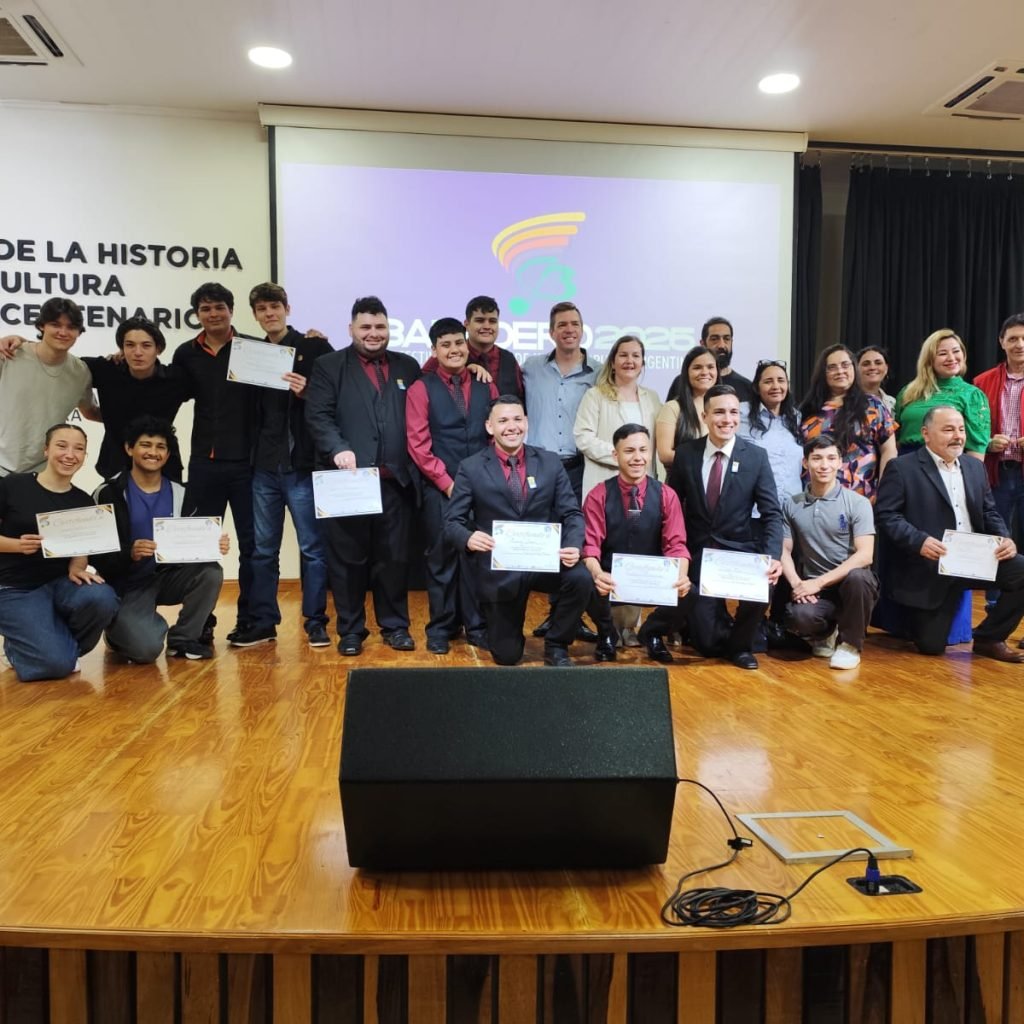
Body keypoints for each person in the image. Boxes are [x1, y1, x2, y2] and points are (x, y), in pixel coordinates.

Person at [305, 295, 422, 656]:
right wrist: (337, 448)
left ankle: (395, 627)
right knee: (347, 562)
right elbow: (318, 415)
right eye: (366, 327)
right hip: (348, 483)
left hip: (396, 482)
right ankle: (351, 630)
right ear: (351, 329)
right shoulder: (328, 366)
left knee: (394, 560)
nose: (374, 333)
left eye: (380, 326)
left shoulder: (408, 366)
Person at [444, 395, 593, 666]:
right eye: (503, 421)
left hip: (543, 561)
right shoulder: (471, 467)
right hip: (501, 569)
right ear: (489, 427)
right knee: (508, 656)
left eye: (517, 419)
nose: (511, 426)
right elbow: (452, 522)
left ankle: (557, 644)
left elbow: (572, 513)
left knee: (580, 578)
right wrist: (468, 537)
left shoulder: (550, 462)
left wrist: (573, 544)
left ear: (526, 422)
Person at [642, 384, 783, 670]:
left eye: (733, 412)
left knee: (764, 585)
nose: (727, 419)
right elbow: (671, 507)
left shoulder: (756, 457)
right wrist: (672, 553)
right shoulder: (686, 454)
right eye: (719, 412)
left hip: (739, 551)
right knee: (707, 645)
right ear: (705, 416)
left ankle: (741, 646)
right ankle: (693, 630)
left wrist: (773, 557)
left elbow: (772, 514)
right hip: (698, 554)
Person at [874, 405, 1024, 662]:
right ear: (926, 433)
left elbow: (989, 511)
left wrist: (1004, 538)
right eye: (948, 430)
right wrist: (919, 541)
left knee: (1021, 569)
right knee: (931, 646)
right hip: (932, 565)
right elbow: (887, 516)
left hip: (976, 559)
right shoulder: (902, 468)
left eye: (961, 430)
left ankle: (989, 638)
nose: (958, 436)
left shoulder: (974, 467)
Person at [230, 282, 333, 649]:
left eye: (275, 306)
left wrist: (307, 392)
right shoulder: (250, 354)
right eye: (262, 309)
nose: (269, 313)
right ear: (255, 315)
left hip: (301, 467)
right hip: (263, 468)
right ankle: (263, 623)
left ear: (287, 309)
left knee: (312, 550)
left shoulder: (314, 347)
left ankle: (316, 622)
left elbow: (334, 396)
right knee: (262, 551)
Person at [93, 417, 229, 662]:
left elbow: (193, 543)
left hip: (168, 576)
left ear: (167, 455)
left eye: (160, 447)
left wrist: (213, 545)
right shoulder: (108, 493)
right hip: (128, 584)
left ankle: (183, 639)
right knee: (144, 651)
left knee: (211, 572)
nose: (153, 452)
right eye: (145, 445)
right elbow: (96, 552)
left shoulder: (182, 493)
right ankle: (120, 631)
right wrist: (129, 552)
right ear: (129, 448)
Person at [171, 282, 260, 643]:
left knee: (253, 547)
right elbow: (167, 394)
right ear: (197, 314)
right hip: (204, 463)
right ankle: (201, 623)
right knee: (199, 544)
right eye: (205, 309)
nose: (213, 314)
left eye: (219, 307)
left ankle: (250, 620)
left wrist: (313, 339)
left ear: (231, 310)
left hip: (248, 464)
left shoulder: (253, 349)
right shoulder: (185, 353)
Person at [0, 424, 119, 681]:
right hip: (14, 587)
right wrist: (16, 545)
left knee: (102, 597)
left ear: (85, 456)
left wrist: (77, 566)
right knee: (56, 666)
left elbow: (81, 549)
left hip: (59, 584)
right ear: (46, 450)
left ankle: (49, 648)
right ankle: (21, 649)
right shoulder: (13, 485)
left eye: (79, 449)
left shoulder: (83, 500)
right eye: (61, 446)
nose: (70, 455)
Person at [406, 317, 494, 654]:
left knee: (477, 558)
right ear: (434, 350)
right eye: (445, 345)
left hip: (481, 488)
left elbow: (496, 436)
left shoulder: (486, 385)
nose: (454, 349)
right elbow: (418, 445)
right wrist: (447, 484)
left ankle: (477, 626)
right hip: (438, 488)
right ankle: (441, 628)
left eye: (459, 343)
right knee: (441, 558)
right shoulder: (420, 388)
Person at [581, 424, 691, 663]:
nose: (637, 457)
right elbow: (590, 547)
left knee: (690, 590)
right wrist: (598, 573)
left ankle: (652, 633)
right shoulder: (598, 495)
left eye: (643, 450)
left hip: (652, 579)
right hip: (610, 577)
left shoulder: (666, 495)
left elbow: (676, 545)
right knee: (582, 579)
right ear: (615, 455)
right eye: (629, 451)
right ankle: (607, 634)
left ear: (650, 453)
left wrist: (682, 575)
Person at [521, 301, 598, 641]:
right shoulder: (530, 368)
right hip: (538, 467)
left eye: (575, 324)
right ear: (551, 331)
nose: (569, 329)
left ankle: (572, 616)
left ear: (582, 329)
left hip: (580, 466)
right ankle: (553, 614)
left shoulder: (599, 373)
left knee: (574, 540)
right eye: (562, 324)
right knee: (544, 538)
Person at [781, 434, 879, 669]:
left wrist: (819, 582)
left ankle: (850, 645)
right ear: (805, 463)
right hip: (815, 588)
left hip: (850, 586)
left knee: (858, 578)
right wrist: (797, 584)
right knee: (799, 617)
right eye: (817, 458)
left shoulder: (858, 503)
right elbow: (783, 549)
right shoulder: (791, 504)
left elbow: (865, 555)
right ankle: (825, 633)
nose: (824, 465)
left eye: (831, 458)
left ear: (840, 462)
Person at [0, 298, 99, 476]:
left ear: (79, 332)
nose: (63, 332)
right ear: (41, 326)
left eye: (71, 327)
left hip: (41, 473)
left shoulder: (80, 372)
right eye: (55, 324)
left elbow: (90, 411)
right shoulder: (9, 354)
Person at [799, 344, 897, 501]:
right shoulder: (808, 410)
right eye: (832, 367)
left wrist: (885, 491)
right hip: (815, 501)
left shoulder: (872, 405)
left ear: (854, 368)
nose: (840, 371)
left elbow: (889, 450)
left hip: (861, 500)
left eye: (845, 365)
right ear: (823, 373)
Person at [574, 334, 663, 495]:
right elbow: (583, 438)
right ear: (613, 363)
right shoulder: (595, 395)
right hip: (605, 482)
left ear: (642, 364)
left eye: (636, 356)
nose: (629, 360)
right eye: (623, 355)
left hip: (644, 486)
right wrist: (623, 456)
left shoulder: (652, 398)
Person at [895, 329, 990, 458]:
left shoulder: (973, 395)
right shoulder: (908, 392)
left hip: (949, 463)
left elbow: (977, 449)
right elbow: (895, 438)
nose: (951, 358)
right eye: (943, 353)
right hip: (907, 462)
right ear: (929, 359)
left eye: (956, 351)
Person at [975, 313, 1024, 555]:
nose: (1020, 345)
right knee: (995, 542)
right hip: (996, 473)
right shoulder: (981, 382)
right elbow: (969, 428)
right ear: (1001, 342)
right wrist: (987, 442)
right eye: (1013, 339)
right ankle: (996, 585)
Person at [738, 359, 804, 507]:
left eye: (781, 380)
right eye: (768, 381)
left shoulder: (796, 417)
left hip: (793, 508)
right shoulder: (740, 413)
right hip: (755, 509)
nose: (776, 386)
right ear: (756, 387)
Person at [655, 345, 718, 470]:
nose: (705, 372)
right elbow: (665, 455)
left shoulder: (724, 409)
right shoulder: (673, 408)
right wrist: (706, 459)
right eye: (697, 367)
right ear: (687, 373)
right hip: (682, 479)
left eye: (710, 367)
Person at [666, 317, 753, 404]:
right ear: (702, 344)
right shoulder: (681, 382)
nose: (721, 345)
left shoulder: (746, 387)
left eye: (726, 339)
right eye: (714, 339)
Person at [857, 346, 896, 414]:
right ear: (856, 369)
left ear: (886, 368)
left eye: (878, 363)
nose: (872, 367)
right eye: (866, 364)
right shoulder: (846, 402)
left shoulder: (892, 403)